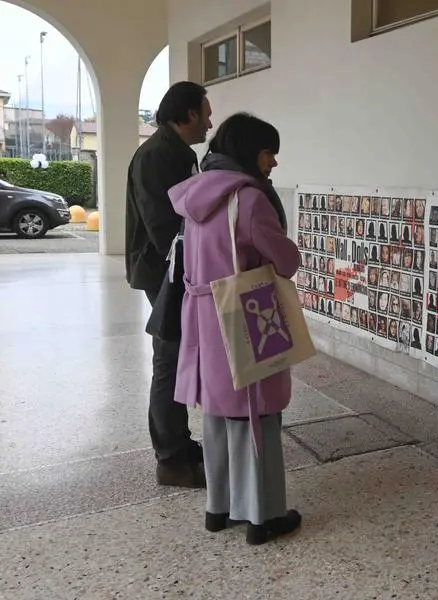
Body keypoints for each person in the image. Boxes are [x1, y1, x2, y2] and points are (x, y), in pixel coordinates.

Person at [168, 113, 301, 545]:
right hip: (247, 313)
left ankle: (218, 508)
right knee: (257, 413)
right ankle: (262, 517)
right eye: (269, 153)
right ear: (251, 152)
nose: (273, 164)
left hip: (204, 316)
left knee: (218, 413)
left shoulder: (193, 196)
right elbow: (284, 261)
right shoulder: (249, 199)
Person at [125, 82, 212, 488]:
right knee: (170, 358)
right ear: (189, 114)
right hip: (165, 272)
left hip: (173, 269)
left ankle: (178, 441)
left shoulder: (176, 153)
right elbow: (164, 226)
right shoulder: (159, 155)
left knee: (174, 357)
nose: (209, 121)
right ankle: (171, 458)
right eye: (205, 113)